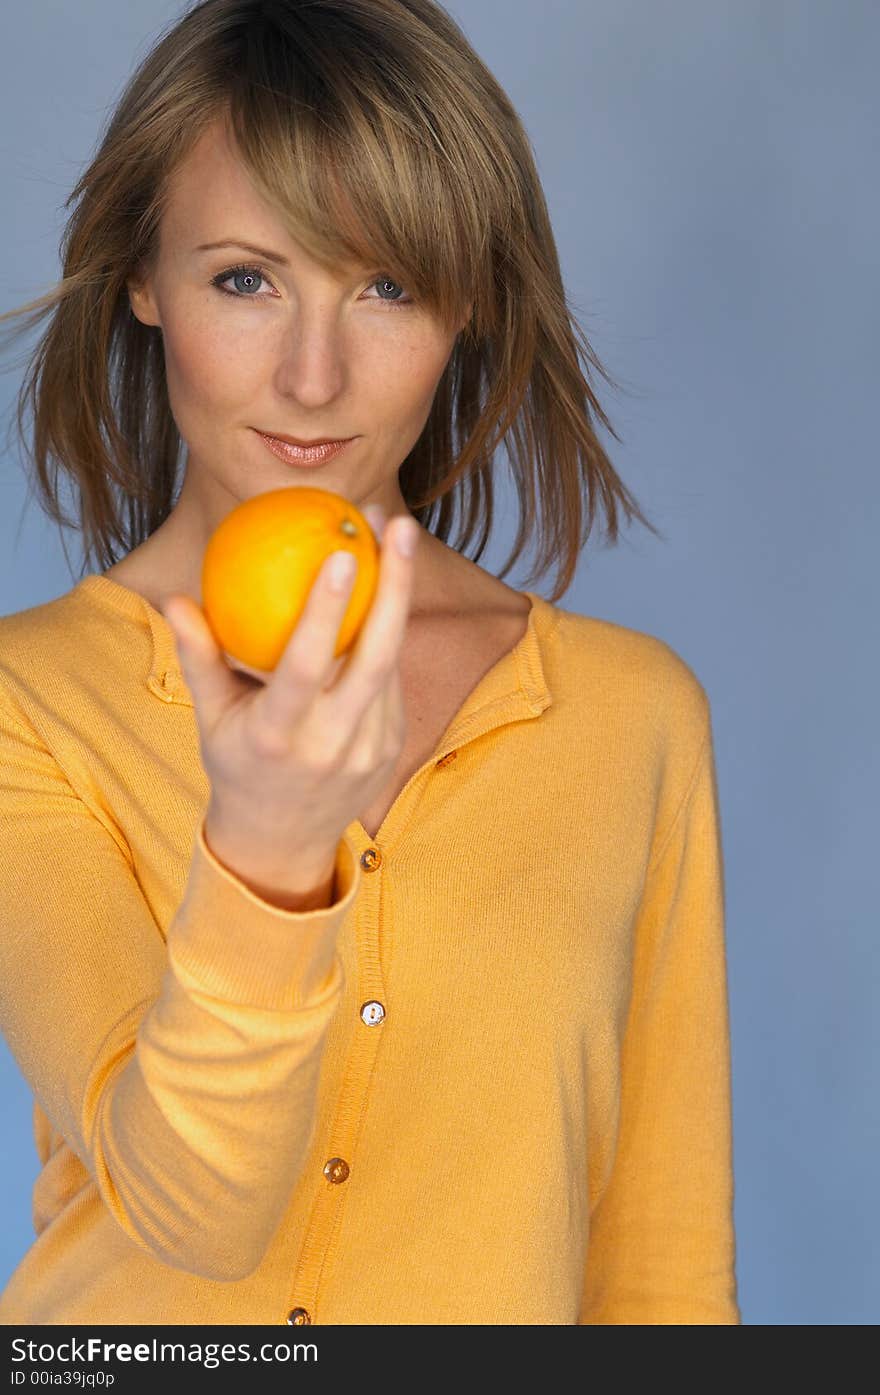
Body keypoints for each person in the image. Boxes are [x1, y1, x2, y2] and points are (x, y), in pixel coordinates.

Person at [0, 0, 740, 1324]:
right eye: (246, 279)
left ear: (467, 311)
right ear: (143, 280)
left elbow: (663, 1266)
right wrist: (264, 869)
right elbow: (189, 1214)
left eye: (386, 286)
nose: (314, 376)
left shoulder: (632, 719)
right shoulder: (27, 706)